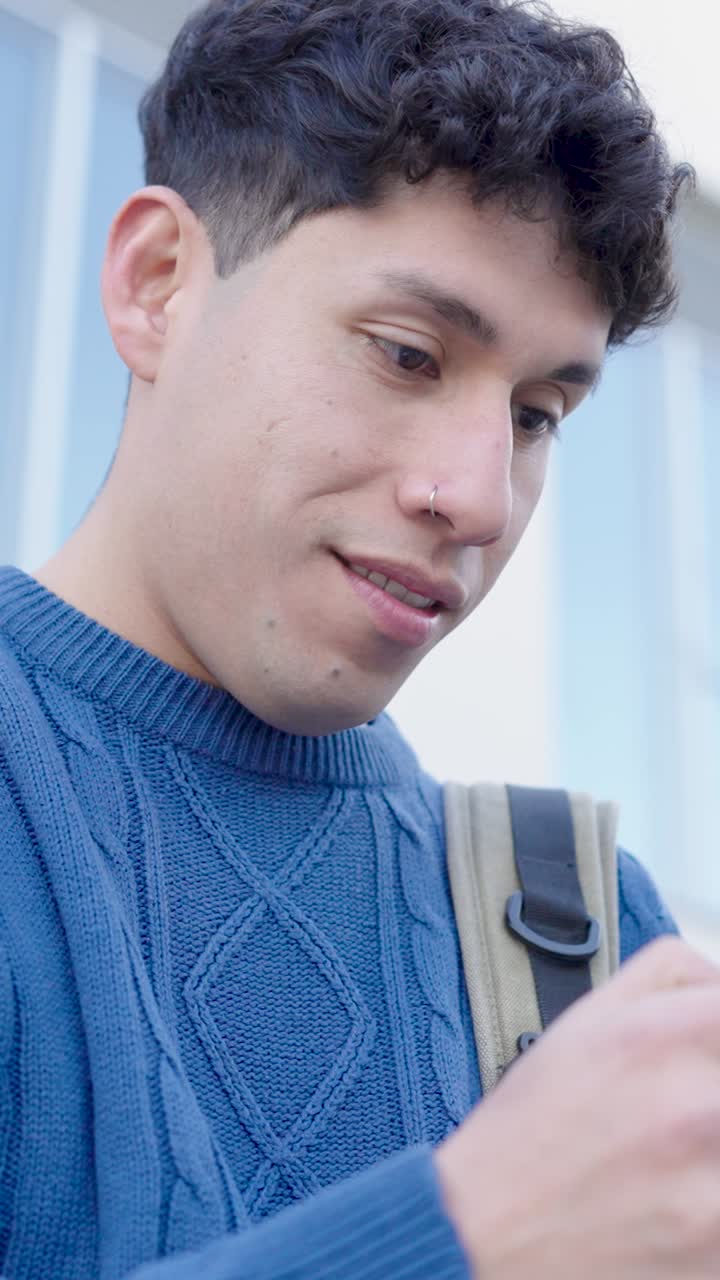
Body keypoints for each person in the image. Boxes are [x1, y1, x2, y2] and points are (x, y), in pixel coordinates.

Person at [1, 0, 716, 1276]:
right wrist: (463, 1233)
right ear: (157, 284)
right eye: (406, 353)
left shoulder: (588, 923)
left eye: (541, 413)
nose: (481, 496)